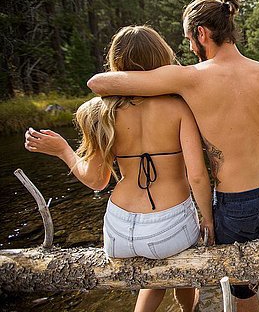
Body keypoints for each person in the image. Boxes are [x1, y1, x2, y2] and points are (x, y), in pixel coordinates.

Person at [87, 0, 259, 312]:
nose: (189, 48)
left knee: (242, 284)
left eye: (189, 38)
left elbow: (98, 83)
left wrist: (208, 219)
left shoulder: (189, 78)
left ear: (201, 33)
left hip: (237, 201)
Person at [24, 25, 215, 312]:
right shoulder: (178, 107)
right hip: (168, 229)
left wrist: (64, 150)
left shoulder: (101, 112)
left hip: (118, 232)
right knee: (180, 271)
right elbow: (197, 176)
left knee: (153, 281)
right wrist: (208, 220)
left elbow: (97, 181)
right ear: (160, 58)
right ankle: (190, 309)